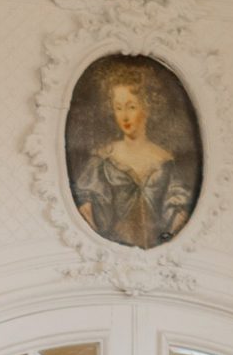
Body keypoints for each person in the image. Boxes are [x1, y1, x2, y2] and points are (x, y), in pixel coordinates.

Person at [71, 63, 195, 250]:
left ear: (147, 107)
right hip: (110, 252)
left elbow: (177, 210)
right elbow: (87, 208)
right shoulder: (103, 158)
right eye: (118, 108)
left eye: (131, 107)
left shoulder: (165, 160)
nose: (124, 116)